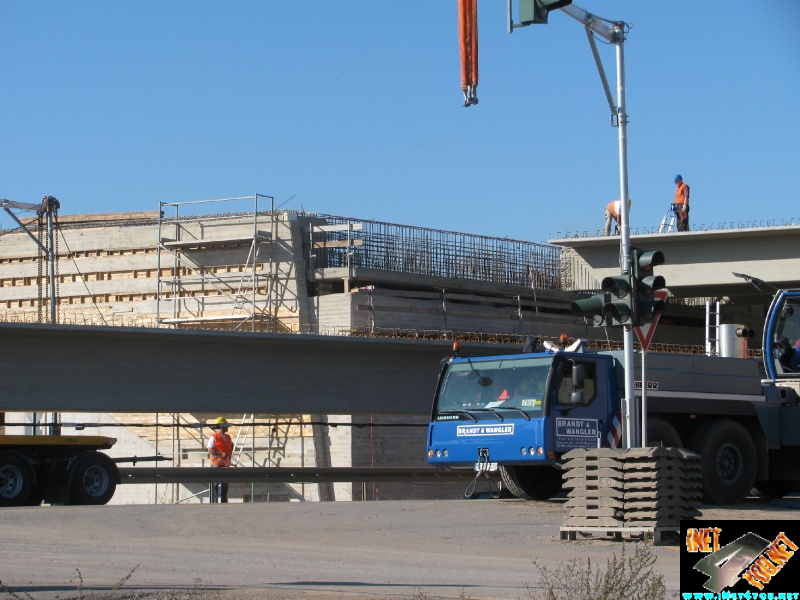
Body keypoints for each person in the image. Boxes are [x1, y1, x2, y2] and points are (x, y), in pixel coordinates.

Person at [207, 416, 233, 503]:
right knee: (215, 484)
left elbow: (231, 446)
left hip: (226, 464)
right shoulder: (214, 437)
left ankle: (224, 501)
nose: (227, 426)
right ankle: (214, 502)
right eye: (225, 424)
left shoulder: (228, 437)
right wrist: (221, 454)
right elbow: (210, 449)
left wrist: (228, 455)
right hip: (216, 465)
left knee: (225, 484)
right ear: (221, 426)